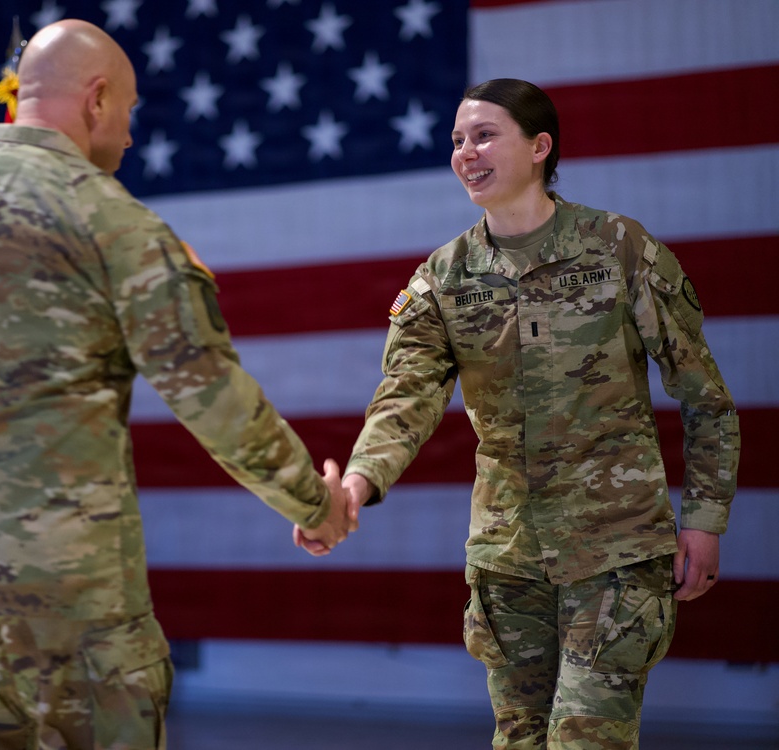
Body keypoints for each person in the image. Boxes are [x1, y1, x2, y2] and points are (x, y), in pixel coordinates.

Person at [0, 19, 356, 750]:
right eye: (128, 111)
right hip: (76, 610)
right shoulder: (113, 222)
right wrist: (317, 506)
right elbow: (213, 398)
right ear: (96, 100)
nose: (129, 136)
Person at [302, 79, 740, 748]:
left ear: (540, 146)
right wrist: (356, 487)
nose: (466, 153)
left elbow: (704, 395)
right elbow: (405, 400)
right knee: (520, 739)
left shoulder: (620, 249)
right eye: (456, 141)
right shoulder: (441, 279)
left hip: (617, 554)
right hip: (508, 561)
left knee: (585, 739)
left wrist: (704, 521)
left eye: (484, 136)